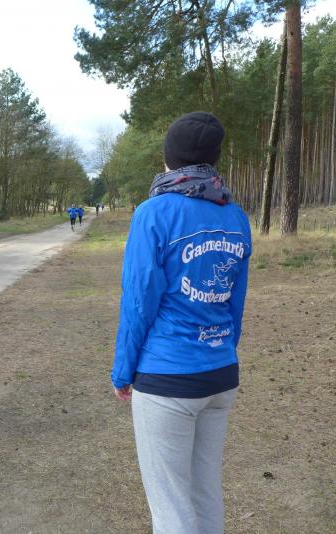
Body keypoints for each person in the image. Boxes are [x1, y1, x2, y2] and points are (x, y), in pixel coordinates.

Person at [111, 111, 251, 534]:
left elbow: (139, 302)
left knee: (171, 507)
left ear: (168, 158)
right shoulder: (235, 215)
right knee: (205, 493)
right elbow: (235, 304)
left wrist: (122, 371)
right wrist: (220, 350)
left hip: (167, 377)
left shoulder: (153, 213)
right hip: (220, 373)